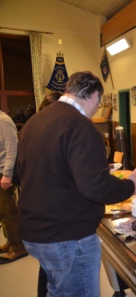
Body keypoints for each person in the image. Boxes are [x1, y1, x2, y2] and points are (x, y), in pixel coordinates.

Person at [17, 71, 136, 297]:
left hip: (34, 230)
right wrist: (131, 186)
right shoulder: (80, 126)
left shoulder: (34, 121)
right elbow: (96, 186)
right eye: (99, 101)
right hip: (68, 238)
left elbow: (22, 174)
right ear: (94, 96)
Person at [36, 91, 62, 297]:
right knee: (54, 274)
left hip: (41, 217)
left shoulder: (34, 131)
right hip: (52, 217)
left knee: (47, 271)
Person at [0, 109, 28, 264]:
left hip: (3, 173)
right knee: (2, 212)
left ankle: (18, 247)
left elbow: (12, 149)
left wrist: (7, 174)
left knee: (9, 212)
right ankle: (10, 242)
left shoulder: (3, 121)